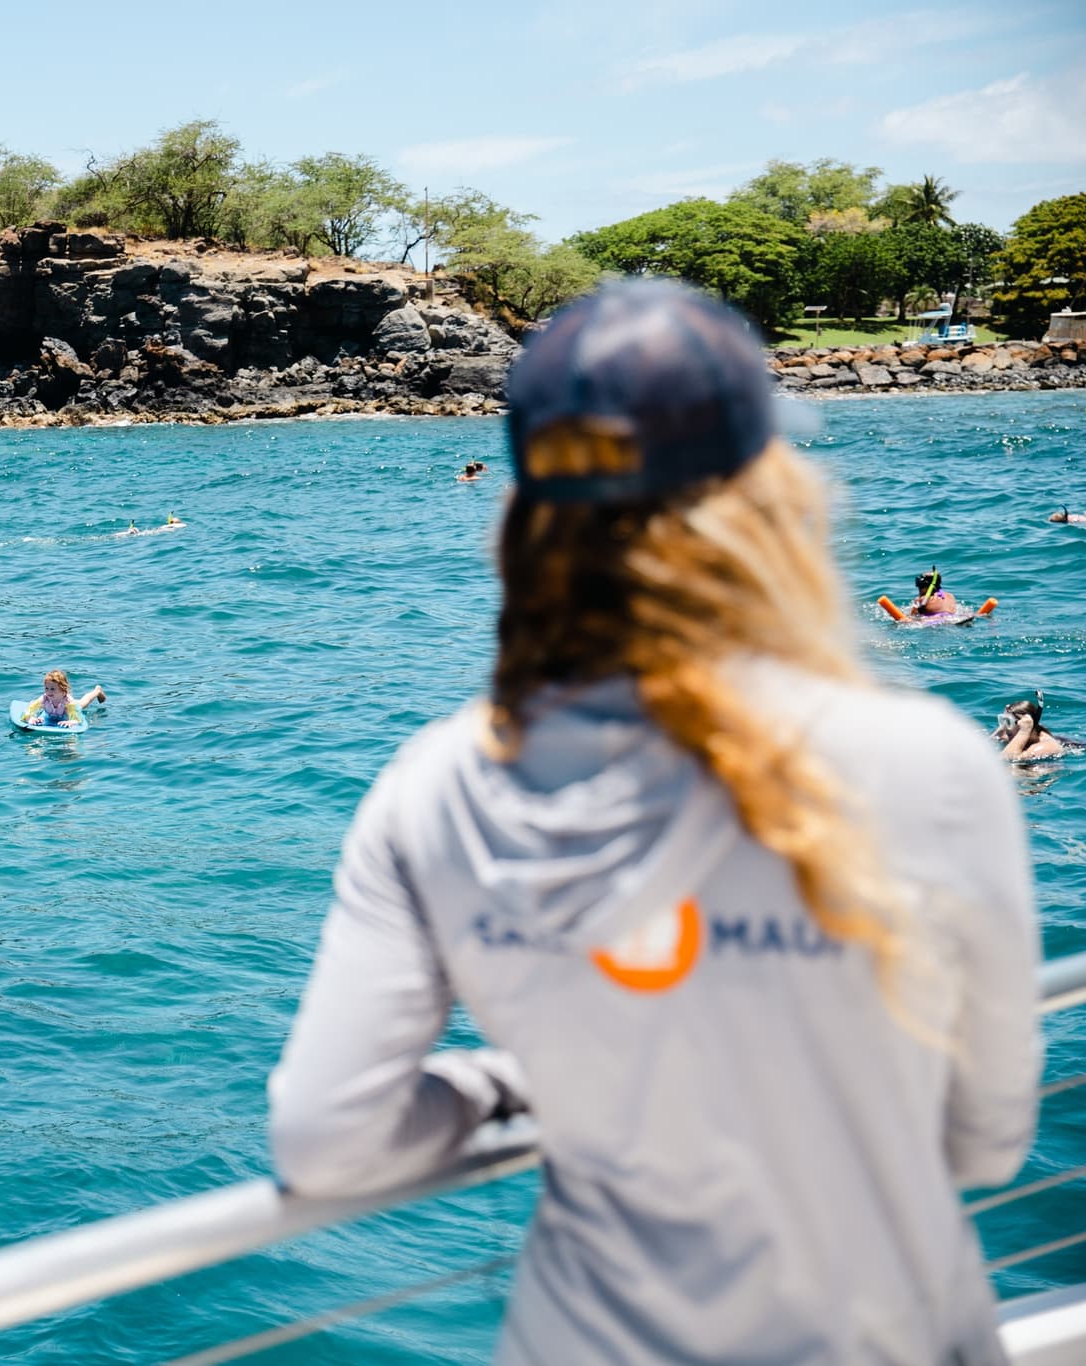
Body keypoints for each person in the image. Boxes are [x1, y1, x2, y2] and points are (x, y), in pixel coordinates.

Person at [268, 279, 1040, 1365]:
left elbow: (327, 1141)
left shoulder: (437, 781)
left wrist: (514, 1078)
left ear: (529, 508)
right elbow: (984, 1141)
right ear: (770, 492)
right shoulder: (926, 762)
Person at [996, 697, 1078, 763]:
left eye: (1009, 722)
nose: (1006, 728)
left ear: (1025, 724)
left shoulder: (1044, 746)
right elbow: (990, 744)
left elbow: (1007, 758)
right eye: (1003, 720)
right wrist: (1002, 728)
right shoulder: (1011, 734)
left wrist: (1024, 731)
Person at [21, 669, 105, 727]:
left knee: (83, 702)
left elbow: (78, 719)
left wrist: (71, 722)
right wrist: (30, 718)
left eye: (52, 689)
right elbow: (28, 711)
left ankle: (97, 691)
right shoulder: (44, 698)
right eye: (46, 688)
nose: (48, 692)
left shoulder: (69, 702)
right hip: (51, 717)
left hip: (69, 710)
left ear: (63, 690)